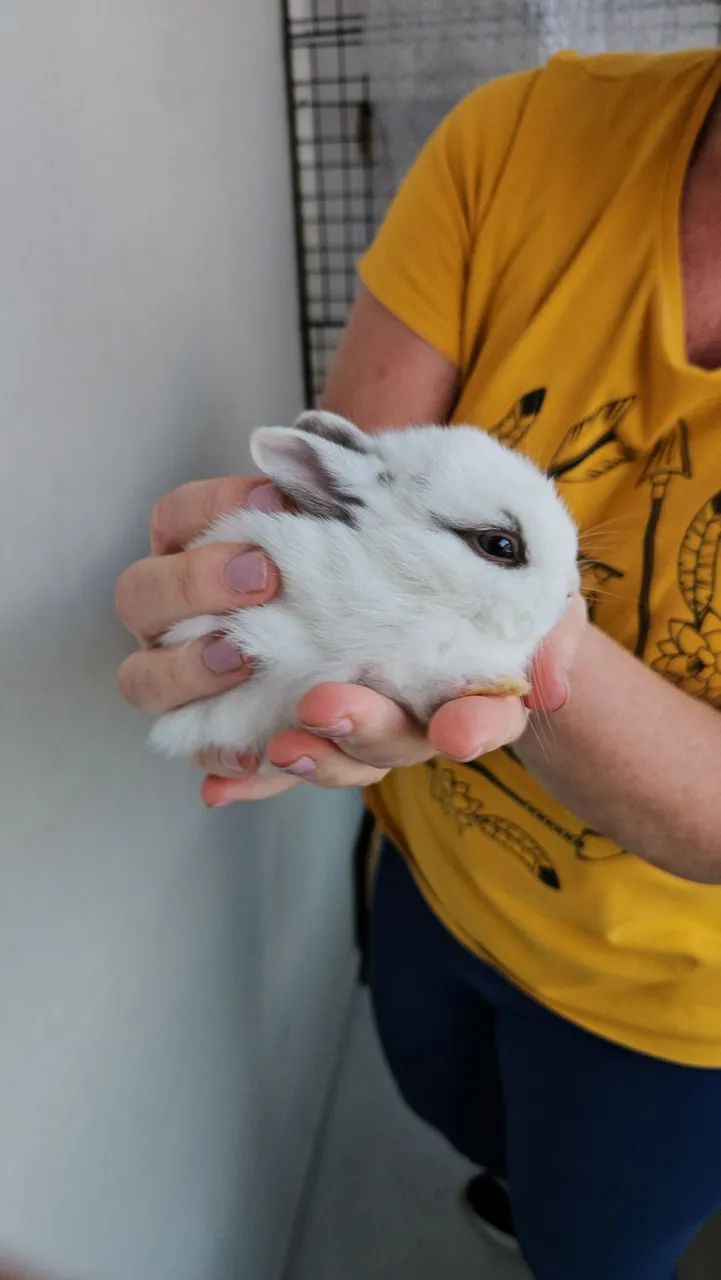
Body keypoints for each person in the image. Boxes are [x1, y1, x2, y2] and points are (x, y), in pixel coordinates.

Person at [116, 48, 721, 1280]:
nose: (567, 597)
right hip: (434, 868)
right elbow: (368, 475)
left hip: (673, 999)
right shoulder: (521, 135)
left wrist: (489, 652)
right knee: (443, 1087)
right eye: (509, 551)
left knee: (596, 1237)